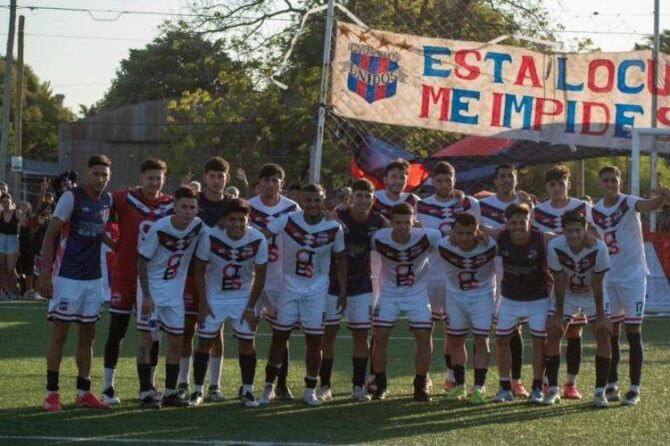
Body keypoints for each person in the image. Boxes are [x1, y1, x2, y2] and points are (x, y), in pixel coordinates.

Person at [258, 183, 346, 406]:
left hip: (317, 292)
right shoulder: (288, 220)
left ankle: (309, 390)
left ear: (323, 201)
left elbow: (341, 260)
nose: (313, 204)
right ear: (301, 201)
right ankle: (268, 387)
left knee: (315, 341)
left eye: (317, 200)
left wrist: (343, 291)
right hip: (288, 288)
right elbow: (262, 234)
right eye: (308, 200)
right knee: (279, 338)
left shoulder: (334, 227)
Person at [39, 155, 114, 411]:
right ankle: (51, 394)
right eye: (96, 174)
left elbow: (98, 231)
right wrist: (45, 274)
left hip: (93, 279)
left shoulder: (107, 200)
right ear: (87, 173)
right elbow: (50, 235)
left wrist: (116, 245)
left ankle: (83, 392)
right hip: (66, 277)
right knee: (60, 334)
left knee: (87, 336)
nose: (100, 179)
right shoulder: (71, 197)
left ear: (109, 177)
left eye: (104, 175)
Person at [591, 166, 670, 406]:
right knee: (610, 331)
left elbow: (648, 206)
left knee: (633, 331)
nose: (610, 184)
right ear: (600, 183)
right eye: (606, 180)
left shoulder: (628, 202)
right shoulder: (594, 210)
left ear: (620, 182)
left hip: (633, 276)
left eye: (613, 180)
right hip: (608, 277)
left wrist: (663, 197)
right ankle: (612, 383)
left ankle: (634, 388)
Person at [101, 158, 174, 405]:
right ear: (141, 178)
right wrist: (113, 243)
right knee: (117, 331)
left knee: (153, 334)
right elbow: (99, 213)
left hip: (153, 280)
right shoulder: (124, 197)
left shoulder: (170, 204)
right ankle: (108, 387)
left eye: (158, 178)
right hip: (125, 274)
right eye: (149, 178)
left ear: (164, 179)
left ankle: (149, 387)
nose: (154, 183)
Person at [189, 198, 268, 407]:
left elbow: (260, 275)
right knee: (205, 342)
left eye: (242, 219)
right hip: (215, 296)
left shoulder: (258, 238)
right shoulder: (210, 236)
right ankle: (197, 391)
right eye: (232, 219)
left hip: (243, 297)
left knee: (247, 342)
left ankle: (247, 390)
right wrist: (203, 303)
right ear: (224, 220)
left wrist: (251, 306)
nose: (237, 224)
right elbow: (199, 270)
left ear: (248, 219)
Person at [136, 186, 206, 408]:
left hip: (174, 294)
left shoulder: (199, 226)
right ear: (174, 207)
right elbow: (142, 262)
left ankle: (170, 392)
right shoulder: (160, 228)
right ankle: (145, 393)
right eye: (184, 207)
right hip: (151, 292)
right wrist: (147, 296)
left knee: (177, 340)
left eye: (192, 207)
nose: (188, 211)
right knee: (147, 341)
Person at [318, 178, 385, 402]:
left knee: (361, 335)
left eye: (368, 196)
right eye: (359, 196)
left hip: (361, 284)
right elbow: (321, 219)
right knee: (328, 334)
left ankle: (358, 386)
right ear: (350, 198)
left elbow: (398, 231)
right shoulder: (338, 215)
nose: (363, 200)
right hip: (332, 282)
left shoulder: (378, 220)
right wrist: (331, 214)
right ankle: (325, 385)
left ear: (373, 199)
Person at [416, 161, 480, 393]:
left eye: (448, 179)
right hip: (429, 275)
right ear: (433, 181)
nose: (444, 184)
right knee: (425, 329)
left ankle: (451, 376)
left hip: (457, 276)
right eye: (439, 180)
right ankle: (423, 377)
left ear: (455, 180)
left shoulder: (469, 203)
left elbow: (477, 232)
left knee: (454, 330)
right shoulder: (420, 205)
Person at [370, 203, 441, 401]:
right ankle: (380, 383)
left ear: (414, 222)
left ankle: (420, 383)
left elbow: (452, 243)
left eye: (407, 222)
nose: (403, 226)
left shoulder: (428, 236)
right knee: (380, 336)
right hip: (389, 293)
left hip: (417, 293)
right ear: (391, 223)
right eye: (398, 222)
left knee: (423, 335)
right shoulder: (378, 238)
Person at [532, 164, 590, 400]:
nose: (557, 188)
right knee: (552, 330)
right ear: (546, 187)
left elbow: (592, 234)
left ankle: (571, 383)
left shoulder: (583, 207)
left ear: (569, 184)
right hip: (547, 278)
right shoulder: (537, 211)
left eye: (561, 183)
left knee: (574, 330)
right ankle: (548, 382)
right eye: (552, 184)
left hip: (577, 277)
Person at [544, 210, 612, 407]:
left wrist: (601, 316)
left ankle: (599, 392)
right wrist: (558, 315)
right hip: (567, 293)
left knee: (603, 334)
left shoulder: (599, 247)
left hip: (592, 294)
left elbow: (597, 283)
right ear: (563, 231)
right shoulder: (555, 246)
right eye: (569, 231)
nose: (573, 235)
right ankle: (553, 389)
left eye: (577, 230)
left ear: (585, 229)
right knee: (554, 332)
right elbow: (559, 280)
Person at [179, 157, 230, 401]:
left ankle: (214, 385)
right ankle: (183, 382)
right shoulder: (193, 202)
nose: (217, 180)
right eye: (212, 175)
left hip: (219, 276)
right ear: (205, 177)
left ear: (227, 178)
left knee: (215, 331)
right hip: (191, 272)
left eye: (221, 176)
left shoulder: (232, 206)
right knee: (187, 329)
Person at [491, 203, 553, 404]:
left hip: (538, 298)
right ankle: (504, 387)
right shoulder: (501, 236)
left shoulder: (541, 238)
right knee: (501, 339)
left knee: (538, 342)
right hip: (510, 298)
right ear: (507, 224)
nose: (518, 226)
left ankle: (537, 387)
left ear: (529, 222)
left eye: (522, 222)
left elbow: (564, 237)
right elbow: (477, 228)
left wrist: (587, 236)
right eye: (513, 222)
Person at [248, 163, 300, 400]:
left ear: (282, 183)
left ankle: (281, 383)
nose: (270, 184)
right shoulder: (248, 206)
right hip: (252, 278)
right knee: (247, 331)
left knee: (282, 332)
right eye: (266, 180)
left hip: (280, 279)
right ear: (259, 183)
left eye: (274, 180)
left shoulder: (292, 208)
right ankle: (246, 384)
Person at [479, 163, 532, 398]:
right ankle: (461, 379)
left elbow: (533, 231)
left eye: (510, 176)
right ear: (495, 180)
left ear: (516, 179)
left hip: (514, 267)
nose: (507, 180)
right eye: (502, 176)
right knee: (484, 326)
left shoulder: (525, 203)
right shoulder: (481, 204)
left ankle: (516, 381)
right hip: (486, 268)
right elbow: (475, 226)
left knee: (515, 326)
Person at [440, 213, 496, 404]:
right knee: (456, 340)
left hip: (482, 297)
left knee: (481, 339)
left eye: (469, 233)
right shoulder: (443, 244)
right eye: (460, 233)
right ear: (453, 232)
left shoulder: (490, 245)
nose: (464, 238)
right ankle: (460, 385)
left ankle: (479, 387)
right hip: (454, 296)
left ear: (477, 232)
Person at [0, 193, 27, 299]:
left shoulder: (16, 212)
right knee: (2, 269)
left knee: (10, 269)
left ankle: (14, 290)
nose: (5, 204)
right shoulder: (1, 213)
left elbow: (24, 224)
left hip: (12, 240)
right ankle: (6, 291)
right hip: (1, 239)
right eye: (3, 202)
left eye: (7, 201)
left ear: (11, 201)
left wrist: (23, 213)